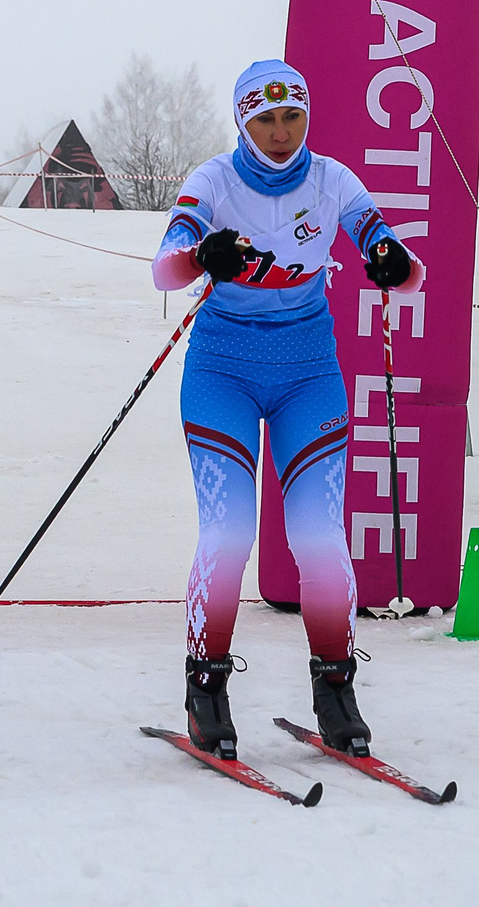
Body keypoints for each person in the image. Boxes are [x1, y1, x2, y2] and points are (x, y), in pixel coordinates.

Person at [151, 59, 421, 760]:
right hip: (223, 373)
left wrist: (391, 260)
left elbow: (391, 252)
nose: (280, 132)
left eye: (292, 116)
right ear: (243, 122)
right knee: (229, 532)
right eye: (265, 119)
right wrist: (201, 253)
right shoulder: (214, 180)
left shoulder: (332, 180)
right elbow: (165, 266)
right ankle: (205, 688)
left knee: (319, 538)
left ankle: (335, 690)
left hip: (308, 374)